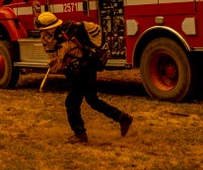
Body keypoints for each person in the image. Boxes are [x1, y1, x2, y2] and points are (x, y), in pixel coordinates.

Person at [35, 11, 132, 143]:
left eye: (43, 31)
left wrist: (55, 60)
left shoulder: (63, 40)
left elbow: (57, 65)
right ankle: (122, 118)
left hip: (79, 72)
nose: (43, 36)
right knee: (93, 100)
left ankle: (80, 134)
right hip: (87, 68)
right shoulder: (68, 32)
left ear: (48, 29)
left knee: (71, 103)